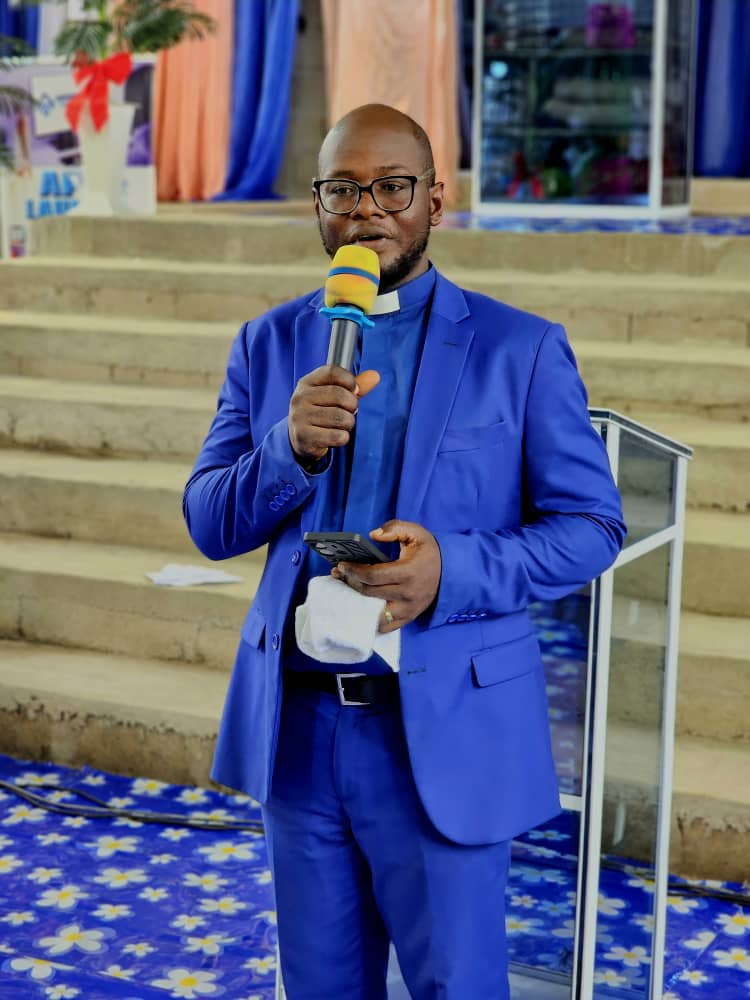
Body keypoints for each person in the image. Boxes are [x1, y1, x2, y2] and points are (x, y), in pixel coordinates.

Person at [183, 103, 626, 999]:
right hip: (299, 732)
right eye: (343, 190)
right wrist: (287, 450)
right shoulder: (268, 343)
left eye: (392, 187)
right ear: (318, 205)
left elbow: (593, 526)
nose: (367, 211)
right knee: (320, 986)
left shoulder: (519, 348)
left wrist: (450, 569)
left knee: (455, 985)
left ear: (435, 200)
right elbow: (210, 521)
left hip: (442, 729)